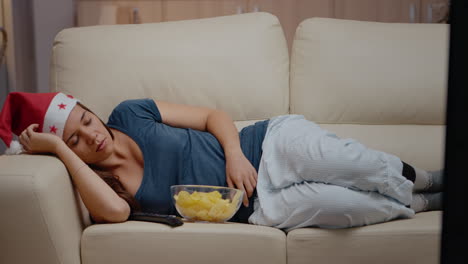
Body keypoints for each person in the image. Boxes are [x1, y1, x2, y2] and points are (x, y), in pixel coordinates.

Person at [0, 92, 443, 230]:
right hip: (255, 211)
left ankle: (428, 178)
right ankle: (426, 204)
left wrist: (234, 155)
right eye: (75, 139)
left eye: (85, 119)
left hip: (265, 146)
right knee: (349, 207)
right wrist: (56, 149)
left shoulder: (129, 113)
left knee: (354, 167)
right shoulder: (108, 189)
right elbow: (115, 214)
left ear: (90, 108)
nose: (92, 134)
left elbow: (214, 116)